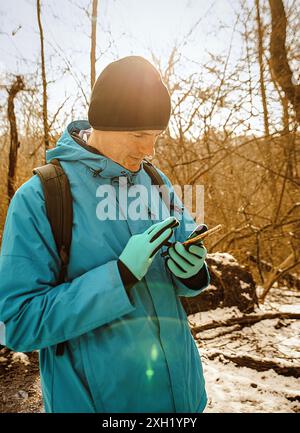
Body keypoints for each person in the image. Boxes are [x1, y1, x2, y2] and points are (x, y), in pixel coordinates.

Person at [0, 56, 210, 413]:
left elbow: (181, 270)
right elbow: (17, 322)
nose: (150, 150)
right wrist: (119, 276)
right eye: (139, 135)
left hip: (183, 398)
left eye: (156, 136)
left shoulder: (156, 182)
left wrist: (191, 272)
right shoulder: (42, 196)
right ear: (103, 123)